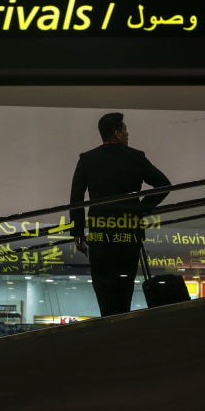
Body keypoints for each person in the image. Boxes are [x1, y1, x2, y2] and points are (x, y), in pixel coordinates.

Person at [69, 113, 171, 317]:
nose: (127, 133)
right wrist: (140, 209)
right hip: (129, 234)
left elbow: (76, 199)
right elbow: (163, 184)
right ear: (117, 133)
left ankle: (108, 327)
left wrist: (78, 233)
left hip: (100, 237)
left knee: (104, 290)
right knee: (125, 290)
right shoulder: (135, 157)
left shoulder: (87, 160)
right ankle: (123, 323)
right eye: (125, 129)